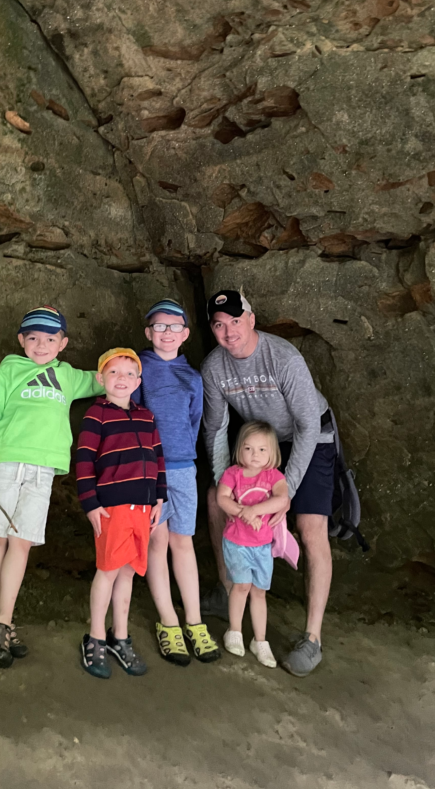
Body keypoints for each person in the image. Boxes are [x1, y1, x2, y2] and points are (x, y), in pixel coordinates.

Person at [201, 289, 336, 677]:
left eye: (235, 321)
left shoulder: (283, 357)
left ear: (251, 319)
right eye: (219, 325)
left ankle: (312, 638)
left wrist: (285, 493)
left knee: (311, 527)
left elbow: (309, 425)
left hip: (309, 438)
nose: (229, 332)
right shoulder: (215, 367)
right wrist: (227, 487)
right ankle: (231, 590)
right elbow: (216, 428)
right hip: (260, 445)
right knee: (214, 500)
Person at [0, 306, 101, 668]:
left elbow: (107, 377)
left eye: (50, 339)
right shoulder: (10, 369)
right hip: (5, 461)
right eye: (33, 339)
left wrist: (143, 363)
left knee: (22, 542)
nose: (41, 345)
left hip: (43, 469)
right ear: (21, 341)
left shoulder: (69, 376)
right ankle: (4, 623)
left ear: (63, 343)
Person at [135, 299, 220, 665]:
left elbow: (195, 420)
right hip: (149, 465)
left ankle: (194, 621)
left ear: (185, 335)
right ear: (148, 332)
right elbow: (131, 413)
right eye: (159, 326)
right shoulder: (138, 368)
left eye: (174, 328)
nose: (166, 334)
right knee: (156, 541)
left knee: (182, 541)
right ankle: (168, 622)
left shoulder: (192, 376)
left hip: (184, 466)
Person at [76, 348, 166, 679]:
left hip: (143, 508)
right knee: (108, 571)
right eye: (114, 372)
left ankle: (120, 635)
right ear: (100, 379)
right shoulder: (95, 415)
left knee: (128, 572)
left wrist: (159, 498)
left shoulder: (146, 417)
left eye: (129, 374)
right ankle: (96, 636)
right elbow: (84, 460)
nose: (122, 379)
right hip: (112, 508)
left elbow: (158, 459)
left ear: (138, 382)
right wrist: (90, 503)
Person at [216, 421, 288, 668]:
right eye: (248, 448)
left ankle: (260, 640)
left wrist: (254, 511)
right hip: (237, 542)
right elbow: (221, 497)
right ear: (239, 449)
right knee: (242, 585)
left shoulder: (274, 476)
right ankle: (234, 630)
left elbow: (282, 498)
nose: (254, 455)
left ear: (272, 452)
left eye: (261, 450)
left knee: (259, 591)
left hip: (262, 546)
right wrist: (241, 511)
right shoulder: (232, 473)